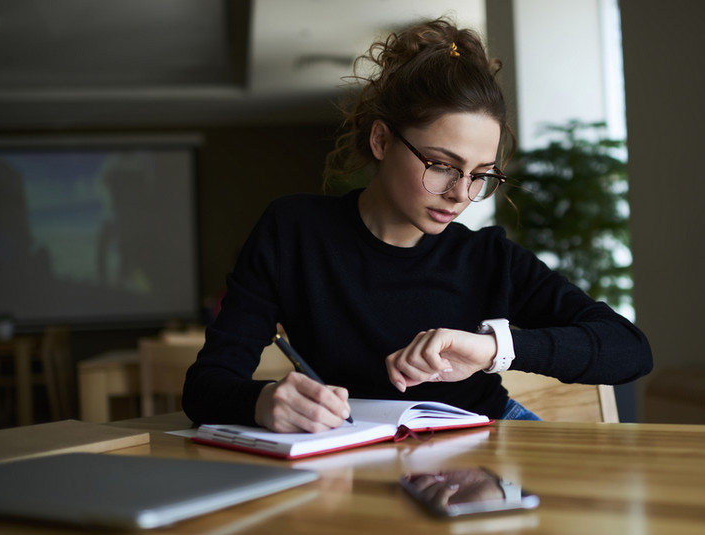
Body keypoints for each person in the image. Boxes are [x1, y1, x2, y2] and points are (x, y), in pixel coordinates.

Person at [182, 18, 651, 433]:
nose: (461, 194)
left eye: (480, 175)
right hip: (354, 447)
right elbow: (206, 386)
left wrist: (492, 349)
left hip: (487, 439)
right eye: (442, 165)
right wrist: (263, 401)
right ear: (382, 139)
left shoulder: (487, 257)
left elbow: (629, 349)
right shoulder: (294, 231)